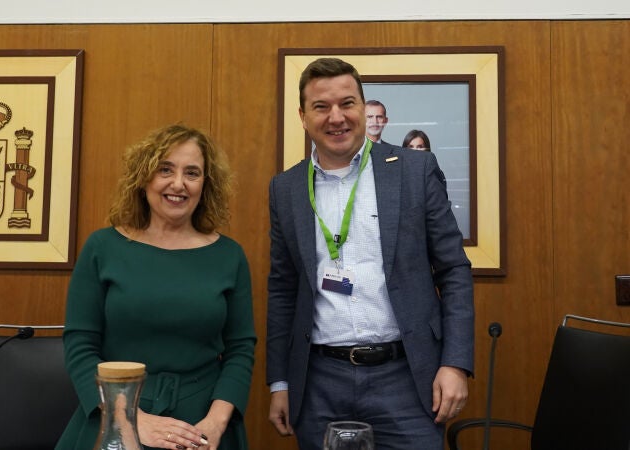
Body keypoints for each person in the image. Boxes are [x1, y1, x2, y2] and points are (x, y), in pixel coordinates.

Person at [266, 57, 474, 450]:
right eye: (321, 107)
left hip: (408, 379)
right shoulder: (286, 188)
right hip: (318, 384)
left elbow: (454, 270)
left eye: (347, 103)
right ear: (303, 116)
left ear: (364, 108)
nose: (336, 117)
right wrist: (280, 382)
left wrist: (455, 363)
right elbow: (282, 288)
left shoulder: (415, 169)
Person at [57, 124, 257, 450]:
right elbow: (80, 345)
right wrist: (128, 421)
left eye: (192, 173)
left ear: (205, 185)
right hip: (113, 415)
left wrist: (216, 423)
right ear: (144, 177)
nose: (178, 183)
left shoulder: (229, 255)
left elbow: (241, 349)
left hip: (202, 422)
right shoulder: (102, 247)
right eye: (165, 170)